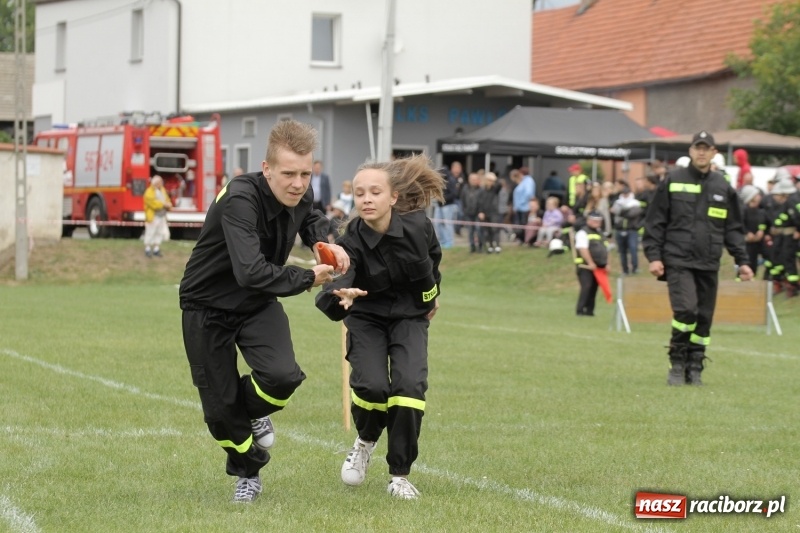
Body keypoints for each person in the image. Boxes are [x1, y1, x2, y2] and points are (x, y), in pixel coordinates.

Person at [178, 120, 350, 503]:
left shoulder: (299, 194)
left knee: (282, 376)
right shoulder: (240, 197)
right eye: (288, 173)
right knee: (220, 414)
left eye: (305, 173)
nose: (298, 183)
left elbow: (310, 219)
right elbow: (250, 270)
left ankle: (250, 411)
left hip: (255, 303)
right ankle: (249, 471)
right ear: (266, 168)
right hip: (206, 305)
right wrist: (308, 278)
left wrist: (328, 242)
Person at [315, 154, 444, 500]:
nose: (367, 199)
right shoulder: (350, 237)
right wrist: (339, 295)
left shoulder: (419, 227)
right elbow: (338, 278)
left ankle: (399, 475)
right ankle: (366, 440)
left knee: (409, 386)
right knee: (372, 387)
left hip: (408, 316)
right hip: (367, 315)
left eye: (375, 192)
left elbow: (432, 266)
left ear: (394, 198)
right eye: (360, 194)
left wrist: (430, 299)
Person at [643, 131, 753, 387]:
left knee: (703, 317)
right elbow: (655, 222)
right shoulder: (673, 180)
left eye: (706, 148)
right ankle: (677, 363)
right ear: (690, 151)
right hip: (678, 259)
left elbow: (733, 229)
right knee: (686, 310)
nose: (701, 152)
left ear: (714, 152)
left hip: (708, 261)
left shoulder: (722, 186)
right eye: (697, 148)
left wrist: (743, 261)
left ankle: (695, 366)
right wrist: (654, 256)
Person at [574, 211, 608, 316]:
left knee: (594, 288)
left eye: (598, 221)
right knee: (587, 286)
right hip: (586, 266)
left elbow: (606, 249)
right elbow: (583, 249)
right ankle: (580, 310)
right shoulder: (583, 233)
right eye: (594, 221)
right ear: (588, 220)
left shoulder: (601, 233)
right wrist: (590, 262)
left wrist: (607, 264)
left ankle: (590, 311)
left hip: (599, 266)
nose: (596, 223)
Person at [610, 186, 642, 275]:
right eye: (624, 193)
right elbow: (613, 211)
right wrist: (623, 211)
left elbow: (633, 214)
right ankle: (625, 270)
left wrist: (621, 211)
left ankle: (635, 268)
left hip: (632, 230)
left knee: (633, 249)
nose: (625, 195)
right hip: (619, 229)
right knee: (622, 251)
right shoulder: (617, 202)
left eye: (626, 193)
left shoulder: (635, 203)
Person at [739, 185, 766, 279]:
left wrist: (761, 230)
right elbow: (741, 223)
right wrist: (747, 233)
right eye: (757, 195)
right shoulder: (744, 210)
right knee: (746, 263)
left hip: (757, 242)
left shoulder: (761, 210)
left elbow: (763, 222)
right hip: (747, 242)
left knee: (754, 264)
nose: (759, 197)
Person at [433, 161, 461, 249]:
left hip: (448, 205)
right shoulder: (439, 181)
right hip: (440, 205)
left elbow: (454, 194)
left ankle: (449, 242)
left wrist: (442, 198)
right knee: (437, 223)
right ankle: (442, 241)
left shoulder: (450, 180)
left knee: (448, 224)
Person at [143, 175, 172, 258]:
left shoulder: (162, 190)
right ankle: (148, 248)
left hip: (161, 216)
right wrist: (164, 204)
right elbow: (153, 203)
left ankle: (156, 249)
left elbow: (166, 199)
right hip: (153, 216)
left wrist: (169, 204)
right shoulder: (149, 191)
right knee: (150, 232)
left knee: (159, 232)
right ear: (155, 183)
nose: (161, 183)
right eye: (160, 182)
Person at [512, 168, 535, 243]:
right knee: (520, 224)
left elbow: (529, 193)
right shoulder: (524, 181)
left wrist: (522, 202)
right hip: (520, 207)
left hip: (524, 207)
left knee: (523, 224)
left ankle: (524, 239)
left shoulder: (528, 181)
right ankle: (520, 239)